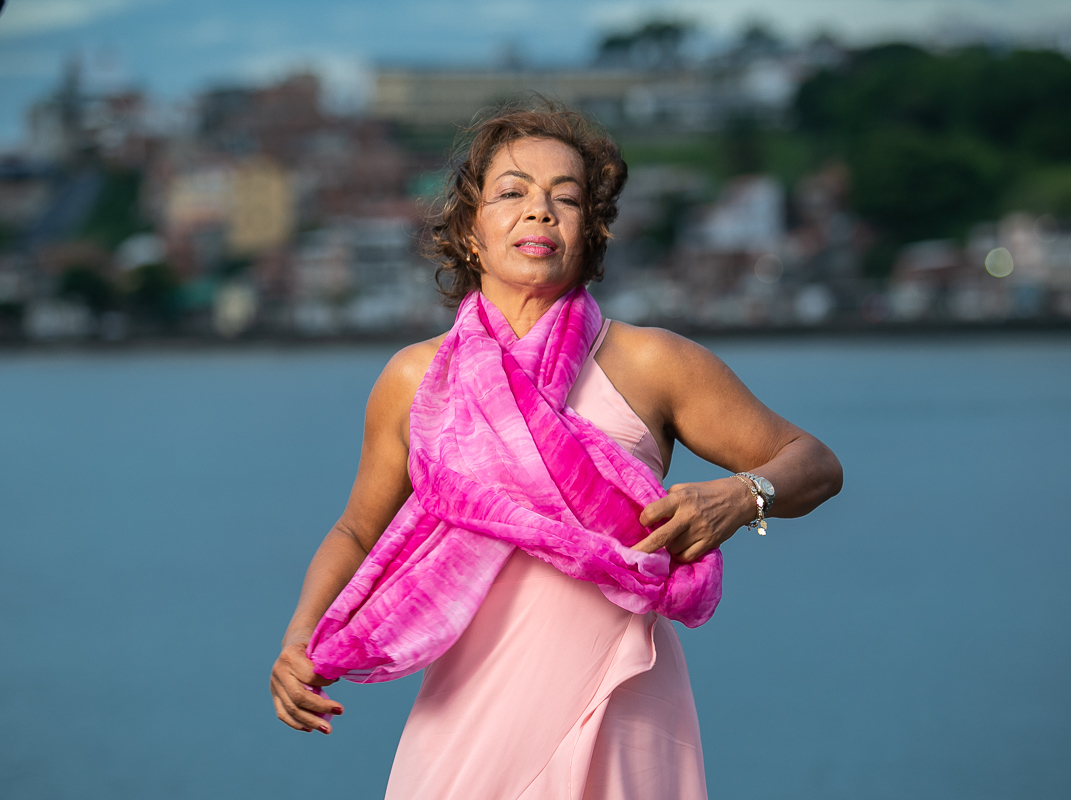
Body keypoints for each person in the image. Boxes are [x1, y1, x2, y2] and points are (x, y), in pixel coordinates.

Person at [269, 103, 843, 799]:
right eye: (511, 193)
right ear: (470, 231)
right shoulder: (415, 379)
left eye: (565, 198)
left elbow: (814, 462)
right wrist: (300, 637)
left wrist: (742, 495)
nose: (539, 210)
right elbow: (359, 531)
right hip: (467, 714)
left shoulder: (652, 363)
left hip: (619, 701)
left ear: (589, 232)